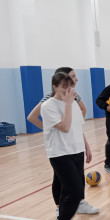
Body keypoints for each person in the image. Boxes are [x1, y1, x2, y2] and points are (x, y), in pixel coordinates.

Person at [27, 67, 97, 218]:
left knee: (71, 190)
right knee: (74, 189)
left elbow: (77, 127)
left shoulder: (73, 103)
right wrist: (65, 106)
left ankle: (64, 214)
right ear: (55, 86)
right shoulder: (48, 104)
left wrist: (86, 146)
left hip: (77, 150)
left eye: (70, 85)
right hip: (60, 152)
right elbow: (64, 127)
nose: (68, 89)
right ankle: (62, 212)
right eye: (64, 86)